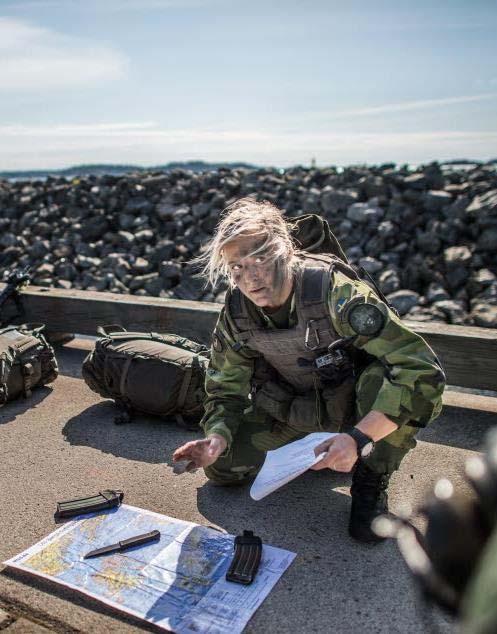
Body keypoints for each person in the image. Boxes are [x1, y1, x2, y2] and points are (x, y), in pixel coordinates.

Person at [173, 198, 446, 543]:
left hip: (357, 412)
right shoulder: (238, 312)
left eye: (259, 259)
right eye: (237, 267)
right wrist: (216, 438)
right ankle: (312, 452)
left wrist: (357, 438)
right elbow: (225, 387)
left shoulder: (336, 293)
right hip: (296, 410)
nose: (250, 277)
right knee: (221, 468)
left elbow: (421, 370)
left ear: (284, 250)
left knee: (389, 383)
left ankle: (370, 477)